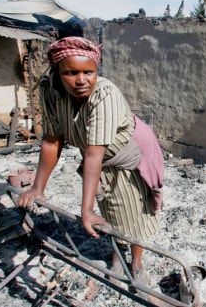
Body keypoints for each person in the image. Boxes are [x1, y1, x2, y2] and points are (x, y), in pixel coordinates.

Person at [18, 36, 164, 286]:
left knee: (136, 211)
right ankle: (117, 254)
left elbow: (94, 155)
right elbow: (52, 141)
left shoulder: (104, 94)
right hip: (99, 157)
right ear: (57, 72)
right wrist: (37, 187)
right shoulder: (49, 90)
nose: (81, 80)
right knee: (109, 206)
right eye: (71, 73)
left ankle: (136, 261)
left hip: (131, 155)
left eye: (89, 72)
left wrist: (86, 210)